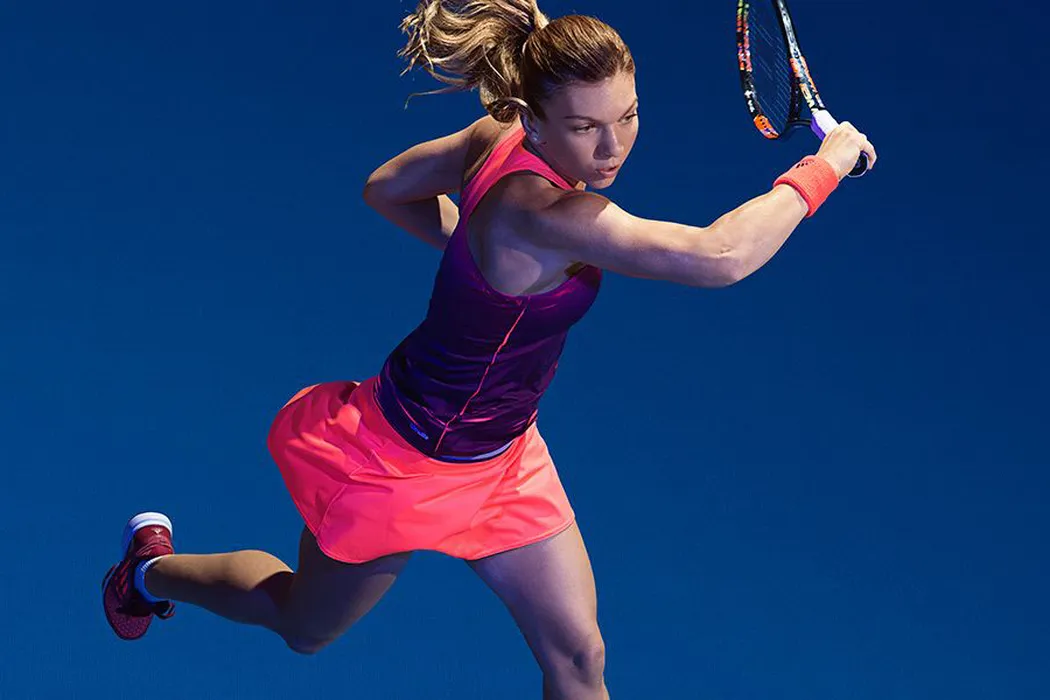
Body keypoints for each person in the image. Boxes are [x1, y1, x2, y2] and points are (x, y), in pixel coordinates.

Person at [101, 2, 876, 698]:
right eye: (585, 127)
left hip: (505, 460)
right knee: (304, 626)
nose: (612, 147)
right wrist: (825, 165)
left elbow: (387, 188)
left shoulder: (494, 138)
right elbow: (719, 257)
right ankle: (147, 571)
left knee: (580, 659)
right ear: (532, 122)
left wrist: (481, 267)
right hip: (398, 464)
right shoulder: (543, 210)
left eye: (629, 115)